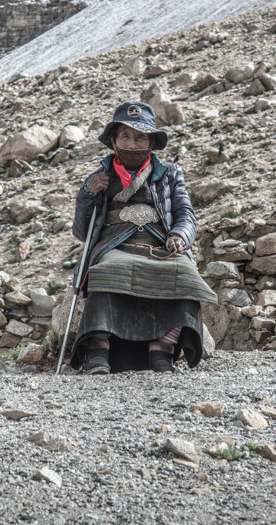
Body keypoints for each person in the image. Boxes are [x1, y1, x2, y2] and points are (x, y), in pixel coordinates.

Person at [69, 101, 217, 374]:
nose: (132, 144)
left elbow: (185, 212)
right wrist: (88, 195)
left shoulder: (170, 173)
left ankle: (163, 349)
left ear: (151, 142)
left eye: (140, 137)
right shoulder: (98, 178)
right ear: (113, 141)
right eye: (124, 136)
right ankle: (98, 350)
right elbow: (82, 231)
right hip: (115, 243)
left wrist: (179, 236)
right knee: (107, 270)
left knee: (184, 272)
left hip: (159, 243)